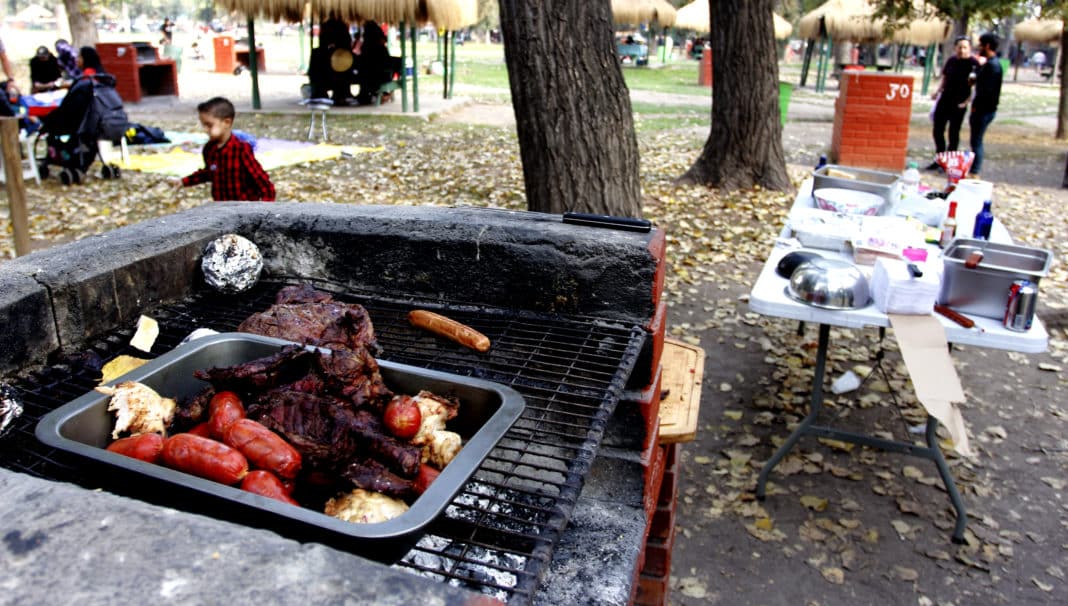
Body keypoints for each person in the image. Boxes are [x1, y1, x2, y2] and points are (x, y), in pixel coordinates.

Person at [173, 97, 275, 202]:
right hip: (221, 208)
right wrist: (183, 181)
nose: (205, 129)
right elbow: (208, 173)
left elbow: (262, 181)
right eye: (203, 125)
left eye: (209, 125)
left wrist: (266, 209)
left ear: (227, 122)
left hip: (244, 208)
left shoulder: (241, 149)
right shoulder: (209, 149)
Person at [928, 36, 979, 169]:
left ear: (969, 48)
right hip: (945, 99)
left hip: (959, 102)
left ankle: (950, 162)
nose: (962, 50)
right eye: (959, 47)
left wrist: (966, 102)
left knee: (953, 132)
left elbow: (975, 87)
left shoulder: (973, 64)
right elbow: (945, 78)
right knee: (938, 129)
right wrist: (937, 91)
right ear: (955, 48)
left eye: (965, 47)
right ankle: (940, 158)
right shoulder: (951, 61)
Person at [41, 46, 109, 136]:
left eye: (79, 57)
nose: (76, 60)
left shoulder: (88, 76)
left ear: (86, 59)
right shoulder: (101, 74)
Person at [969, 33, 1002, 178]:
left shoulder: (992, 66)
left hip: (984, 110)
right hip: (984, 109)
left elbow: (986, 91)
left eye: (981, 44)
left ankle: (975, 171)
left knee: (977, 140)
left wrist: (977, 106)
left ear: (987, 46)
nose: (979, 47)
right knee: (975, 140)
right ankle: (973, 168)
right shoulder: (989, 64)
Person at [307, 18, 354, 104]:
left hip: (339, 61)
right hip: (331, 63)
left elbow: (346, 43)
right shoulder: (319, 52)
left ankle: (337, 94)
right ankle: (331, 94)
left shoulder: (334, 27)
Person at [353, 21, 395, 106]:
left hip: (378, 74)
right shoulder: (371, 46)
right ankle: (366, 95)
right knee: (364, 75)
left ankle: (367, 95)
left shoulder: (373, 46)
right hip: (376, 73)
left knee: (366, 76)